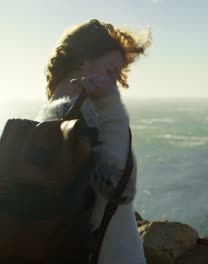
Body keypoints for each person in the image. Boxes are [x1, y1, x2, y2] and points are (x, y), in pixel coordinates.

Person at [35, 19, 151, 264]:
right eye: (110, 72)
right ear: (82, 60)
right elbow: (123, 188)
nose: (114, 85)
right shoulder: (91, 119)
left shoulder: (41, 119)